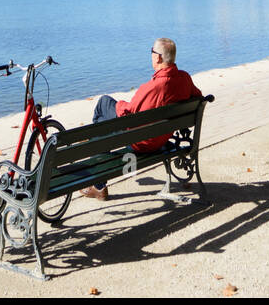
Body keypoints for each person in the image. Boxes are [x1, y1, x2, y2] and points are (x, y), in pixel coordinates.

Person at [82, 38, 202, 200]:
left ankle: (98, 183)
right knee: (104, 122)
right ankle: (98, 177)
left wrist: (119, 105)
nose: (151, 55)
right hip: (162, 138)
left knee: (104, 104)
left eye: (151, 52)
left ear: (158, 57)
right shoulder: (184, 79)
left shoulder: (153, 87)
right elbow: (198, 97)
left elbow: (129, 113)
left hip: (143, 143)